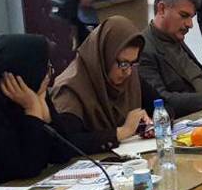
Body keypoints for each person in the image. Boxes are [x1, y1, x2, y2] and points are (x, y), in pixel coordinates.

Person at [51, 17, 159, 154]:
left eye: (133, 63)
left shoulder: (129, 76)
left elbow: (163, 105)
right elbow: (65, 144)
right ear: (105, 56)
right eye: (123, 64)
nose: (128, 72)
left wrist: (152, 124)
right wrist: (122, 131)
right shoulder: (70, 88)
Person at [0, 35, 71, 186]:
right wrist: (32, 110)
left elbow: (63, 153)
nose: (48, 76)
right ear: (27, 69)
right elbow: (28, 167)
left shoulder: (33, 95)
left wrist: (44, 112)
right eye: (45, 68)